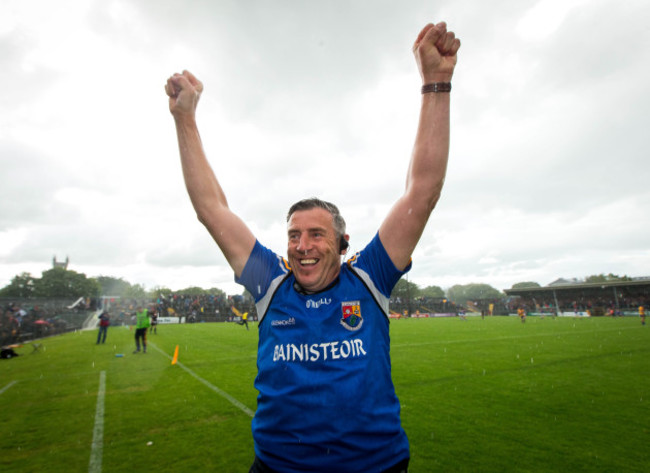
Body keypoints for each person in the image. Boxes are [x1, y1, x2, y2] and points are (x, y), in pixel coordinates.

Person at [166, 21, 460, 473]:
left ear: (343, 244)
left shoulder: (370, 277)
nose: (302, 246)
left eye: (316, 234)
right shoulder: (270, 283)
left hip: (375, 467)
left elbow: (422, 191)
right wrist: (184, 118)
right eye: (293, 235)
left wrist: (435, 84)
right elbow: (211, 209)